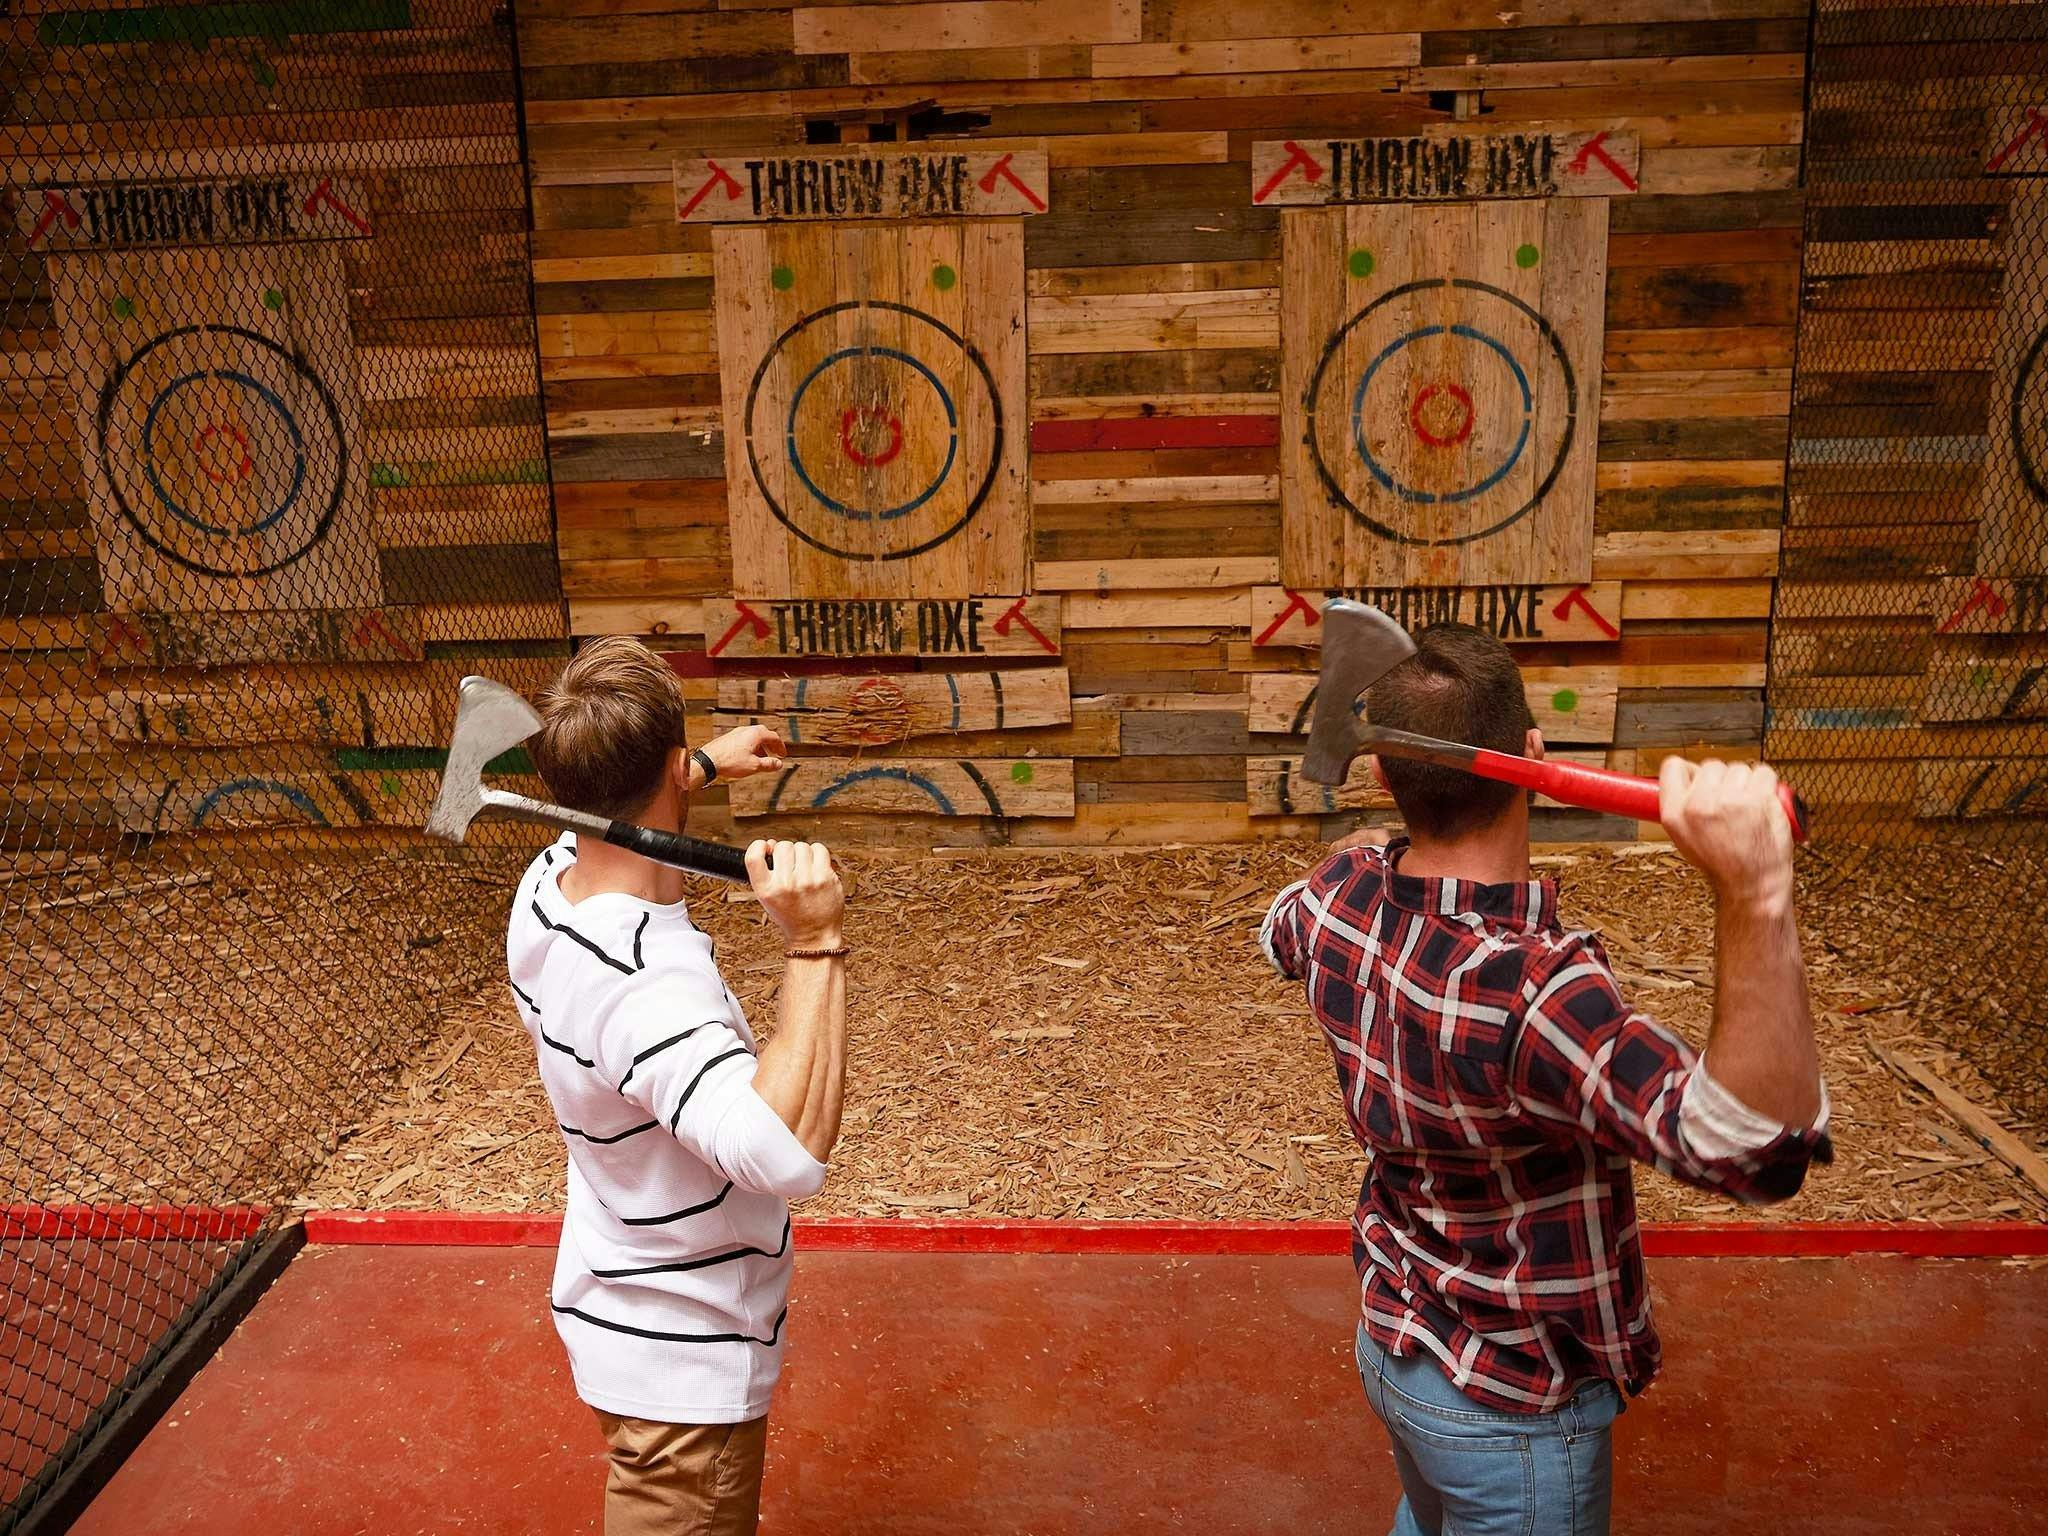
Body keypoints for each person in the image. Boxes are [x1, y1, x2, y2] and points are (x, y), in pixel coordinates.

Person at [1258, 622, 1831, 1536]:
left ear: (1382, 776)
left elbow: (1278, 925)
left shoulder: (1336, 898)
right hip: (1508, 1411)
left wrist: (1370, 850)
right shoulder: (1534, 993)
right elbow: (1757, 1150)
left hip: (1392, 1341)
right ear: (1531, 754)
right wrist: (1755, 889)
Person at [506, 636, 849, 1536]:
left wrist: (696, 767)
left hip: (618, 1295)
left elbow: (615, 810)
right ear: (659, 763)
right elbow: (781, 1150)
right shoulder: (647, 986)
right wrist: (814, 944)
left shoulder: (546, 887)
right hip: (684, 1363)